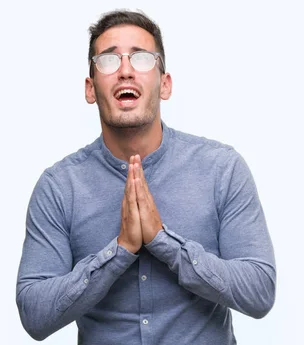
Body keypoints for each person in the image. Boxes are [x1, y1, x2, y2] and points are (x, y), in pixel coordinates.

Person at [16, 9, 276, 344]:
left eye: (141, 58)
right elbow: (35, 315)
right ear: (90, 88)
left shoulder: (222, 169)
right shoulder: (59, 187)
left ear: (164, 84)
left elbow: (259, 292)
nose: (125, 70)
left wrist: (163, 243)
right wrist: (120, 250)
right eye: (108, 61)